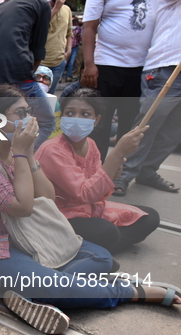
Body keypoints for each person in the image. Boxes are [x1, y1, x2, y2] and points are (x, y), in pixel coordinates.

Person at [0, 85, 180, 334]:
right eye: (20, 113)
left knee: (101, 257)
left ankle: (40, 293)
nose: (29, 119)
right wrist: (22, 154)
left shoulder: (15, 152)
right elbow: (22, 207)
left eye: (28, 112)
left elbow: (47, 196)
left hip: (31, 238)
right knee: (56, 283)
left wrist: (28, 155)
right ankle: (129, 292)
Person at [35, 88, 159, 254]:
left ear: (97, 120)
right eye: (70, 113)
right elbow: (86, 193)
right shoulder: (53, 149)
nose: (76, 119)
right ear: (61, 117)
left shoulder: (91, 145)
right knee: (107, 232)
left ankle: (93, 249)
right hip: (59, 216)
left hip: (89, 209)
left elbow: (99, 194)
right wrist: (117, 153)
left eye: (85, 114)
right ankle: (94, 248)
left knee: (149, 217)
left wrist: (112, 172)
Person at [112, 0, 181, 196]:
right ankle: (122, 173)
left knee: (174, 131)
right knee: (148, 123)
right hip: (167, 66)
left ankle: (148, 171)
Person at [0, 0, 55, 149]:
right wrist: (28, 77)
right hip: (16, 71)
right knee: (47, 123)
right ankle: (19, 158)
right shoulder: (42, 4)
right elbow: (38, 49)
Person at [81, 0, 155, 161]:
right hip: (106, 65)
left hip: (141, 68)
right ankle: (94, 169)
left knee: (130, 124)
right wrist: (89, 64)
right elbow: (88, 27)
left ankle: (118, 171)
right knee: (100, 123)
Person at [66, 16, 81, 81]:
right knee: (64, 61)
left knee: (71, 62)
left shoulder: (79, 29)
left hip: (74, 47)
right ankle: (61, 76)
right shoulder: (68, 29)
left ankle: (68, 76)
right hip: (67, 47)